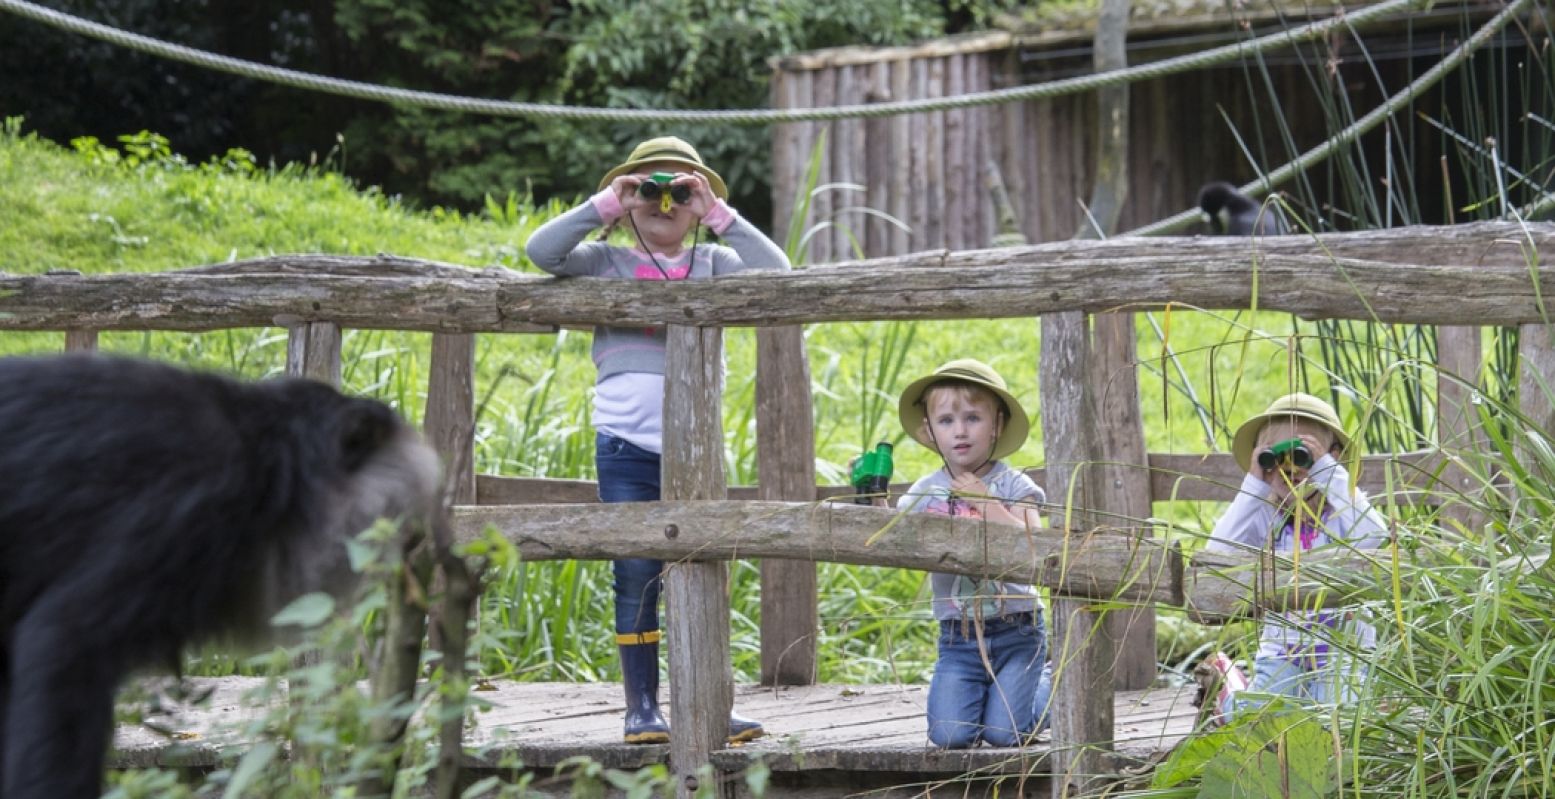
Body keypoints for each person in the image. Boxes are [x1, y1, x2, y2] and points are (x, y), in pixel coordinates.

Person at [525, 135, 789, 745]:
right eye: (649, 190)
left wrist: (718, 216)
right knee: (635, 573)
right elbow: (540, 252)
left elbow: (778, 276)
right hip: (625, 445)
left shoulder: (714, 264)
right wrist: (605, 208)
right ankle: (640, 708)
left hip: (695, 450)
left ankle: (708, 702)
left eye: (680, 192)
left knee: (701, 569)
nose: (663, 203)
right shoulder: (603, 260)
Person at [894, 359, 1053, 748]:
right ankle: (991, 699)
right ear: (929, 432)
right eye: (946, 421)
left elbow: (1035, 546)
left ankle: (1051, 685)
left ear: (997, 425)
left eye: (973, 418)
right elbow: (893, 537)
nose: (960, 431)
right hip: (958, 636)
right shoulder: (925, 492)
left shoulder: (1015, 485)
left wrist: (987, 504)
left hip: (1017, 629)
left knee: (1004, 734)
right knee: (951, 736)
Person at [1204, 392, 1386, 719]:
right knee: (1253, 722)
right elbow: (1218, 553)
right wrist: (1256, 486)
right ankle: (1231, 687)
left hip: (1343, 656)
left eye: (1301, 455)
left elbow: (1377, 539)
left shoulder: (1345, 515)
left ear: (1333, 459)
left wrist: (1327, 473)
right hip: (1282, 655)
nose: (1288, 468)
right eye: (1272, 459)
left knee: (1336, 721)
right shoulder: (1267, 518)